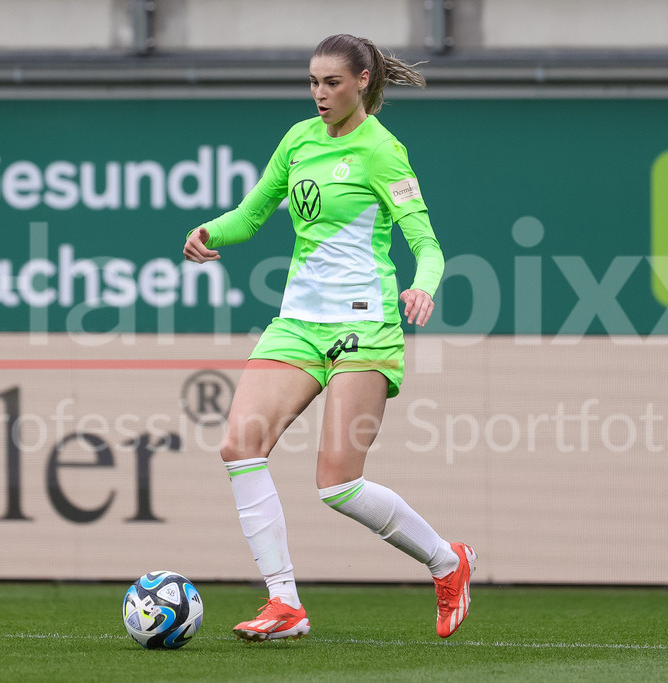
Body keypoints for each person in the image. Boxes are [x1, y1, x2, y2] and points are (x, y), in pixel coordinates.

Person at [183, 33, 475, 642]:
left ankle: (448, 561)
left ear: (362, 81)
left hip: (364, 324)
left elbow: (427, 244)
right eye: (313, 82)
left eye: (332, 83)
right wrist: (210, 231)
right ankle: (284, 603)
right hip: (297, 322)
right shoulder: (298, 140)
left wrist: (423, 286)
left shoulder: (383, 152)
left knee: (338, 484)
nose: (319, 94)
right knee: (239, 446)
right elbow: (251, 215)